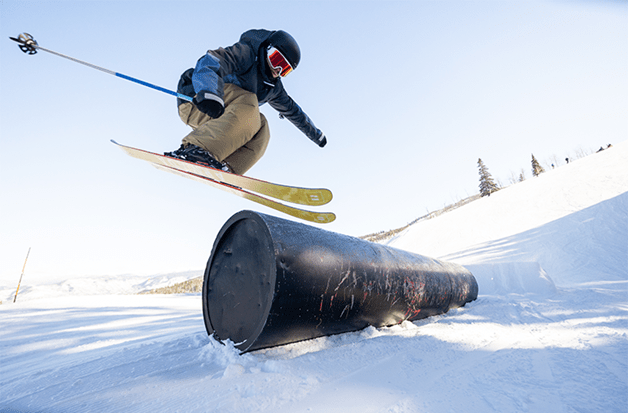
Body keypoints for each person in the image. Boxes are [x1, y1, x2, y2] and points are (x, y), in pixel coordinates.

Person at [165, 29, 327, 175]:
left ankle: (226, 167)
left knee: (261, 126)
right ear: (267, 49)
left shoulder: (273, 88)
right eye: (276, 59)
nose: (277, 70)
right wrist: (208, 92)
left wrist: (317, 135)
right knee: (249, 102)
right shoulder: (246, 54)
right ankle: (196, 150)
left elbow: (294, 112)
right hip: (197, 101)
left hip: (223, 119)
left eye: (284, 69)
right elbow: (212, 61)